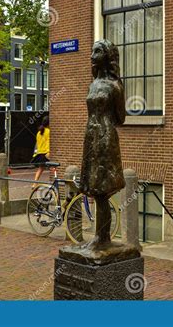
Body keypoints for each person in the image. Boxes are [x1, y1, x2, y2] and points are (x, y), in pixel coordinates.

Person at [79, 40, 126, 248]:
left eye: (97, 52)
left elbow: (121, 117)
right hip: (91, 136)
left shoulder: (114, 86)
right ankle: (100, 237)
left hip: (106, 137)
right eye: (92, 51)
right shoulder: (93, 84)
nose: (92, 55)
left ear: (107, 56)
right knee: (94, 187)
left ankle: (102, 237)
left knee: (102, 190)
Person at [31, 116, 50, 183]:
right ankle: (55, 182)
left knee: (40, 169)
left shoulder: (38, 133)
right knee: (55, 166)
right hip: (47, 153)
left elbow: (38, 144)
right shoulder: (48, 132)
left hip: (40, 154)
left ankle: (34, 183)